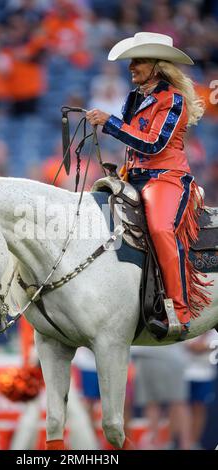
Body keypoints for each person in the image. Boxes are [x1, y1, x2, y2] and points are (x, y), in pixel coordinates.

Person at [86, 32, 212, 338]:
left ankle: (179, 312)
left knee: (159, 228)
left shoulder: (174, 101)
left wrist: (110, 122)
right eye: (132, 61)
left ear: (157, 66)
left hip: (166, 178)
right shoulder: (135, 98)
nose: (131, 67)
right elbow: (133, 140)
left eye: (138, 61)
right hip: (135, 176)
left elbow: (154, 145)